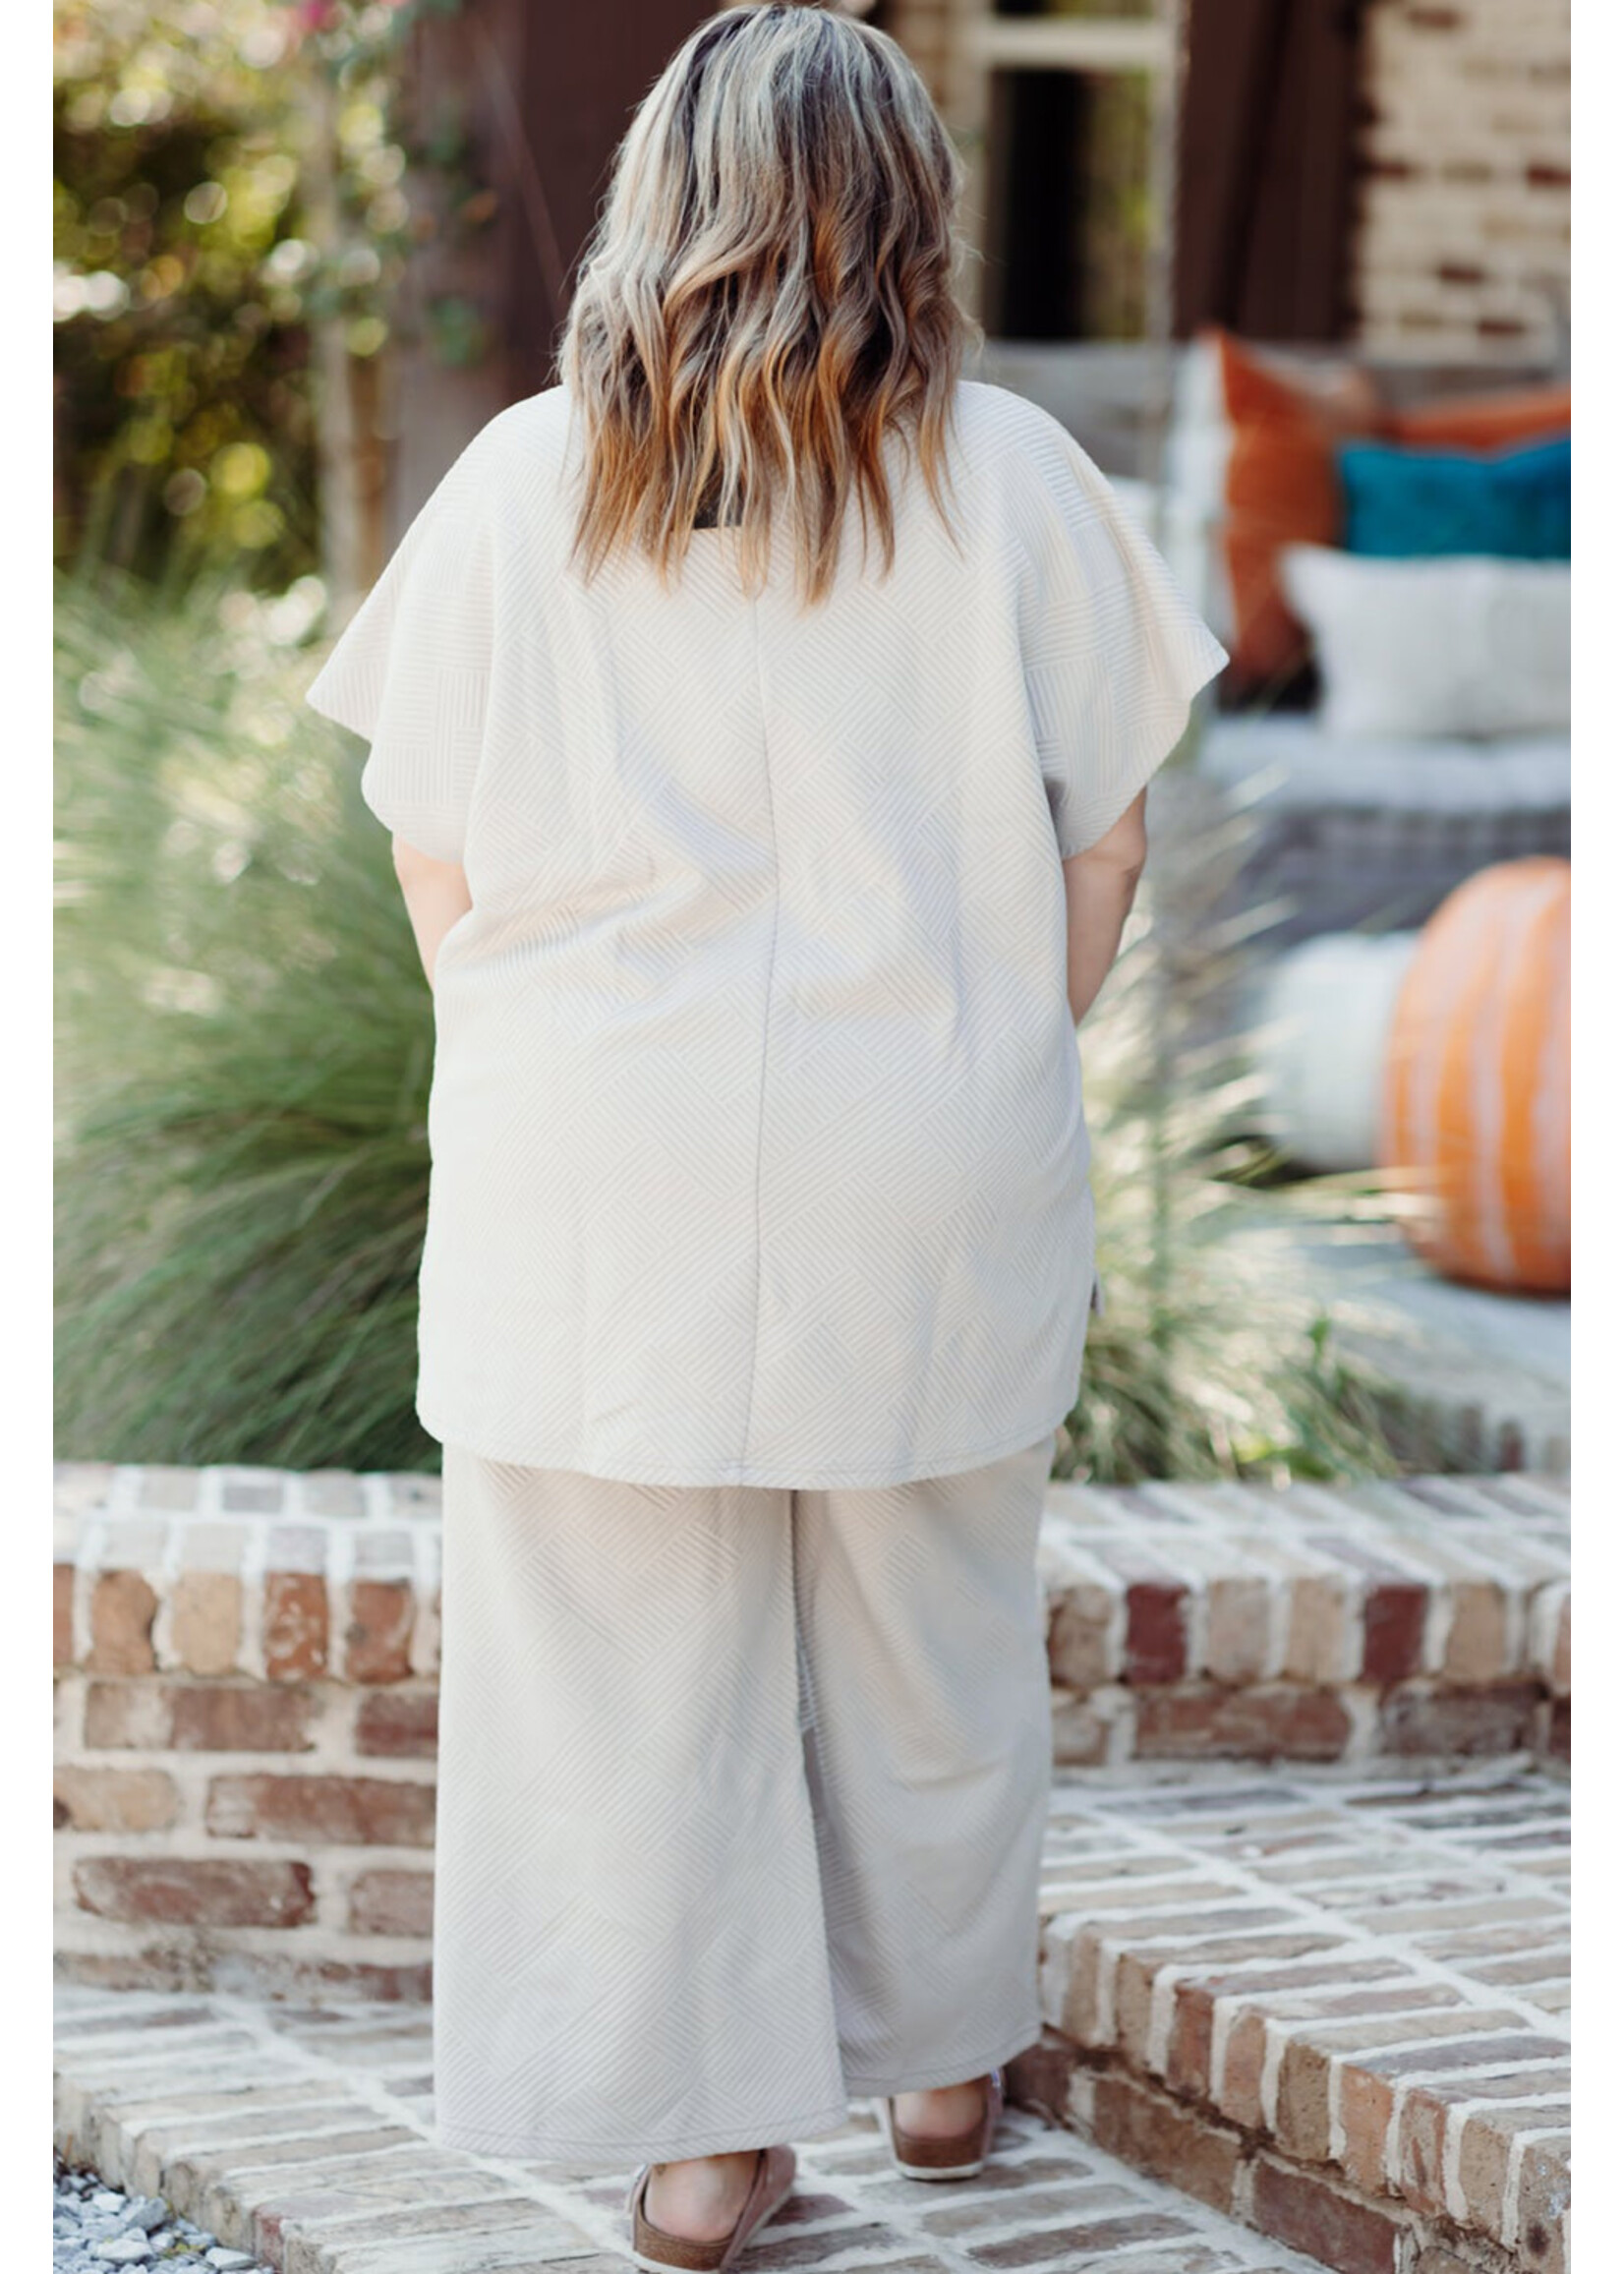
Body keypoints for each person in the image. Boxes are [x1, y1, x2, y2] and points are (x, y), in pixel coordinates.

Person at [305, 6, 1228, 2267]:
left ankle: (704, 2148)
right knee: (931, 1619)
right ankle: (933, 2066)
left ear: (658, 201)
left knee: (625, 1667)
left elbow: (428, 841)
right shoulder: (1010, 476)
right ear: (911, 210)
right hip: (922, 1145)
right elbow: (1103, 838)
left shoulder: (528, 478)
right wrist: (1004, 1039)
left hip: (582, 1159)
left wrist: (538, 1059)